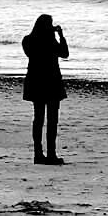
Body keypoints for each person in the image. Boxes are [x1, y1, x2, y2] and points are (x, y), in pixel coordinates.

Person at [22, 14, 69, 165]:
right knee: (52, 120)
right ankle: (51, 154)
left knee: (38, 119)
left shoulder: (28, 40)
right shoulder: (50, 41)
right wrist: (60, 36)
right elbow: (65, 54)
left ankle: (38, 154)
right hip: (51, 81)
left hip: (36, 82)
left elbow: (32, 54)